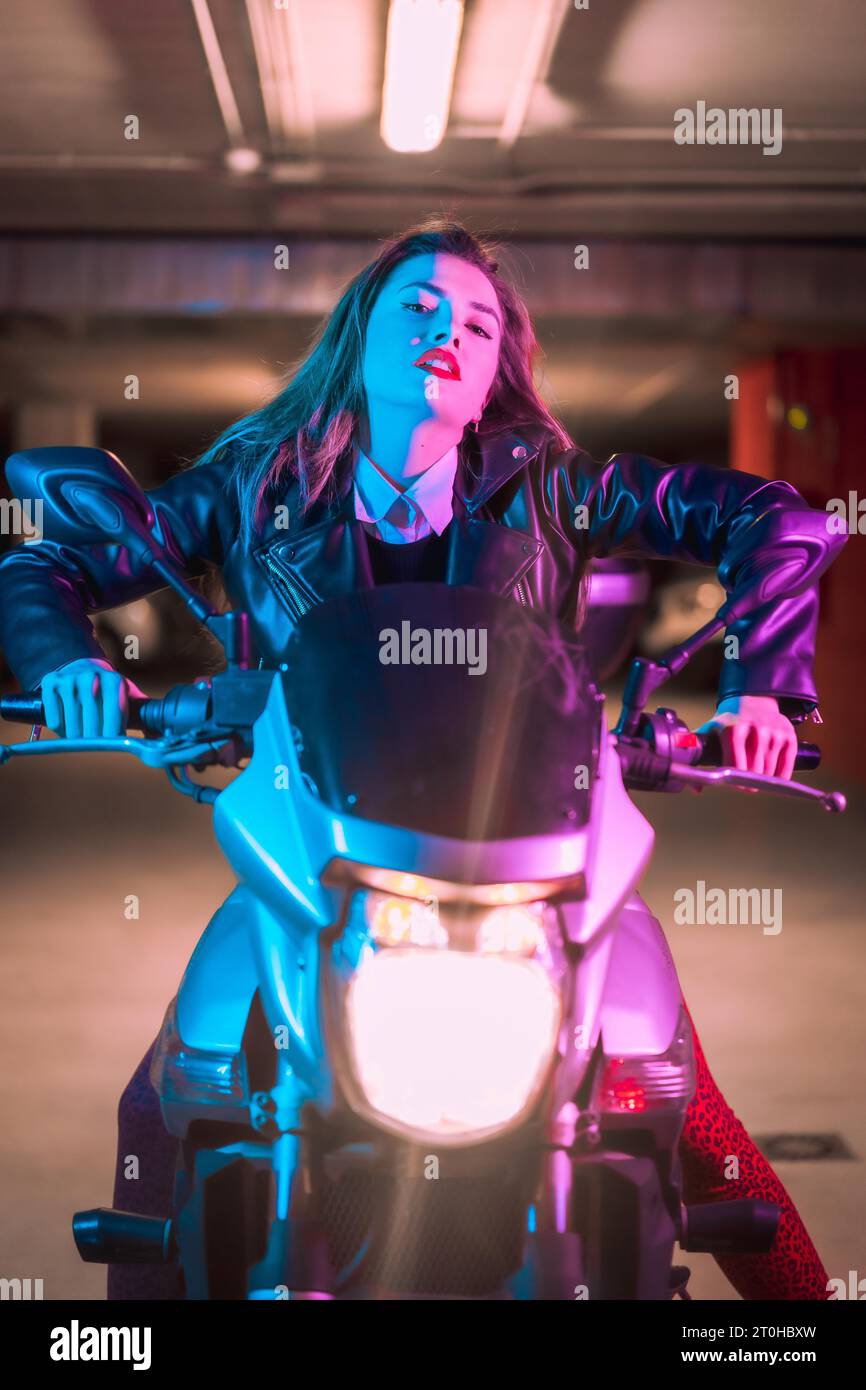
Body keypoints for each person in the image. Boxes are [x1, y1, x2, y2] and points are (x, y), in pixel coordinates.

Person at [0, 218, 843, 1300]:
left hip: (529, 858)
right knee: (179, 1085)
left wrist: (755, 686)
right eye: (417, 306)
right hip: (323, 859)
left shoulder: (556, 487)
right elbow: (52, 558)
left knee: (676, 1097)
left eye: (478, 320)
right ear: (360, 334)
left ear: (496, 366)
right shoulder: (248, 487)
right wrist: (72, 667)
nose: (447, 328)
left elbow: (770, 518)